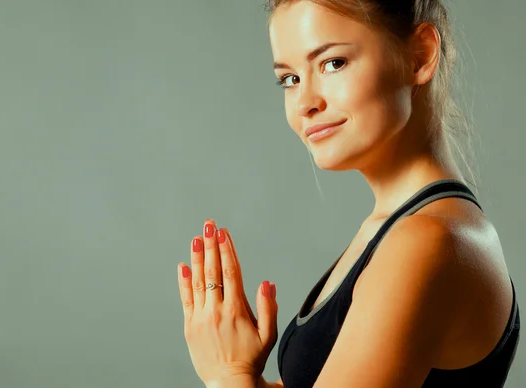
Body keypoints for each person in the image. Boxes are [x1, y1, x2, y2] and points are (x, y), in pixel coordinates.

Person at [176, 1, 520, 387]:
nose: (305, 103)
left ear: (420, 56)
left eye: (333, 63)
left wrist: (228, 375)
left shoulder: (426, 242)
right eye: (289, 79)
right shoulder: (402, 228)